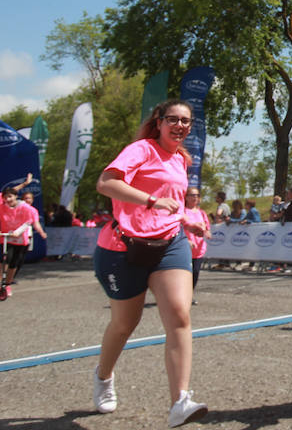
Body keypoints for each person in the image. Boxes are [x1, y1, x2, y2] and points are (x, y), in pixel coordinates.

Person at [92, 99, 208, 425]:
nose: (181, 126)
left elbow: (173, 203)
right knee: (124, 324)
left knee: (179, 315)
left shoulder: (181, 159)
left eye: (186, 121)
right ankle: (103, 376)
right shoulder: (141, 150)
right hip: (122, 247)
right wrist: (152, 200)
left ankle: (180, 402)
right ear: (159, 122)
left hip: (170, 244)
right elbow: (106, 183)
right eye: (173, 119)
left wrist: (187, 219)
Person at [0, 187, 47, 299]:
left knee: (14, 262)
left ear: (15, 196)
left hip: (20, 238)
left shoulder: (25, 208)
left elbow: (28, 222)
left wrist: (18, 232)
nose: (8, 199)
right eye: (5, 198)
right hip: (7, 238)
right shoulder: (1, 208)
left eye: (10, 196)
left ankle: (8, 284)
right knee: (5, 259)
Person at [182, 187, 211, 305]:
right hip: (186, 248)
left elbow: (207, 228)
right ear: (186, 197)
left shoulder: (201, 213)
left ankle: (190, 295)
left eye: (197, 195)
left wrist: (207, 233)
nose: (195, 197)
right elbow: (178, 228)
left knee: (195, 272)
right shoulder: (182, 212)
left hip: (199, 249)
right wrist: (186, 240)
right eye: (192, 195)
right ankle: (183, 296)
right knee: (185, 274)